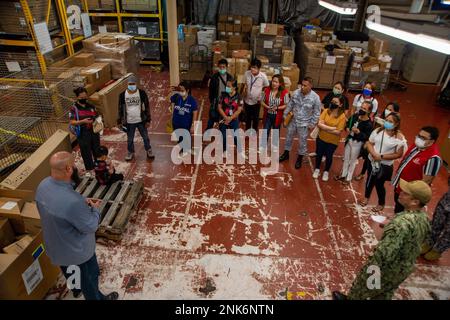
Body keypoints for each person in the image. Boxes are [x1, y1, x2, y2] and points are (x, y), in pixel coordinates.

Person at [35, 151, 119, 300]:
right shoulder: (73, 202)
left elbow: (56, 209)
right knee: (90, 280)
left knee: (70, 272)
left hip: (56, 248)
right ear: (68, 169)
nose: (77, 169)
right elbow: (91, 226)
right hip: (77, 254)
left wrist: (78, 204)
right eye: (74, 166)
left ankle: (76, 289)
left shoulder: (43, 185)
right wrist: (95, 209)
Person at [333, 179, 432, 300]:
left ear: (415, 201)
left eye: (406, 193)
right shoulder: (423, 218)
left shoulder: (400, 224)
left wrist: (369, 270)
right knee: (384, 294)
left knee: (361, 289)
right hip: (402, 269)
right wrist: (394, 221)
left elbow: (384, 254)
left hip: (384, 270)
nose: (400, 193)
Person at [358, 113, 406, 212]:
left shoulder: (399, 138)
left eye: (390, 121)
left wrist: (381, 157)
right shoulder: (378, 130)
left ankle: (381, 202)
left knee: (379, 184)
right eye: (386, 120)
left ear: (396, 124)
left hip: (385, 165)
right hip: (372, 161)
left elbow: (398, 154)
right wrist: (374, 155)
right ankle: (366, 198)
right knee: (369, 180)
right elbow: (370, 143)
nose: (387, 122)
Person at [391, 126, 442, 213]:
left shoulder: (433, 158)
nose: (419, 139)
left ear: (432, 141)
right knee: (397, 208)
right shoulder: (417, 145)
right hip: (401, 187)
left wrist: (409, 197)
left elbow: (425, 182)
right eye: (419, 135)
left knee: (403, 214)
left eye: (423, 138)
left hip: (410, 195)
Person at [279, 77, 321, 169]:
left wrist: (312, 124)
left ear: (310, 86)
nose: (302, 87)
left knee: (302, 142)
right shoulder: (296, 93)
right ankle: (286, 154)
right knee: (288, 137)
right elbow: (290, 104)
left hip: (304, 124)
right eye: (302, 85)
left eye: (305, 85)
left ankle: (300, 158)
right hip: (293, 121)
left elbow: (317, 112)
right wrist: (285, 116)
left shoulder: (315, 97)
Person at [118, 74, 154, 161]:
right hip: (129, 121)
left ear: (136, 84)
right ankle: (130, 152)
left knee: (145, 137)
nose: (132, 86)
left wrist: (148, 120)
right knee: (130, 139)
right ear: (127, 84)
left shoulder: (141, 93)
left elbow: (147, 106)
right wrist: (119, 121)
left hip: (141, 120)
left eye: (133, 84)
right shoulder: (122, 95)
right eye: (130, 84)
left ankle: (149, 150)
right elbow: (120, 108)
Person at [335, 101, 373, 185]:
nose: (361, 109)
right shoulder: (356, 116)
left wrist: (359, 132)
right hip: (349, 140)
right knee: (346, 158)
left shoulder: (369, 124)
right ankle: (343, 174)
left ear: (369, 111)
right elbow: (348, 123)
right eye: (361, 107)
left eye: (364, 108)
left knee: (352, 161)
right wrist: (347, 128)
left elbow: (367, 137)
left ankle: (348, 178)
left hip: (357, 143)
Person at [312, 96, 346, 182]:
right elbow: (319, 123)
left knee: (329, 156)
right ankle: (317, 169)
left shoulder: (342, 116)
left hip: (332, 141)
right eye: (332, 101)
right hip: (321, 138)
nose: (333, 103)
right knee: (319, 154)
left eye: (336, 102)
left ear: (340, 105)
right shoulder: (326, 111)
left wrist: (324, 127)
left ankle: (326, 171)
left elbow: (338, 132)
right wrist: (331, 128)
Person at [69, 87, 100, 176]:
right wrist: (83, 121)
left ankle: (98, 165)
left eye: (85, 97)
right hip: (83, 132)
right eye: (81, 98)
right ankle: (90, 169)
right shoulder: (74, 108)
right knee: (86, 151)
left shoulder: (91, 106)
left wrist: (97, 121)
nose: (84, 99)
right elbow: (72, 122)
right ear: (77, 97)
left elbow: (97, 116)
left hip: (93, 131)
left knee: (96, 149)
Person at [260, 74, 289, 151]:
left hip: (278, 116)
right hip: (268, 115)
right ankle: (263, 146)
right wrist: (267, 107)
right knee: (265, 130)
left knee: (276, 131)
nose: (274, 83)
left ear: (280, 83)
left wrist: (277, 108)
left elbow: (286, 105)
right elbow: (262, 102)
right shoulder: (266, 90)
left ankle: (275, 146)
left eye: (276, 82)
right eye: (273, 81)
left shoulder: (284, 92)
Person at [422, 187, 450, 261]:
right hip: (447, 199)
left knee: (449, 232)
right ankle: (429, 243)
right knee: (436, 222)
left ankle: (438, 249)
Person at [218, 79, 244, 156]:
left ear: (234, 87)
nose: (227, 87)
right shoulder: (223, 95)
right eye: (226, 86)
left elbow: (239, 110)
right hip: (223, 118)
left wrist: (230, 118)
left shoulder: (239, 97)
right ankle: (224, 150)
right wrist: (225, 117)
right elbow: (219, 107)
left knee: (235, 136)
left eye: (229, 86)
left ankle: (240, 151)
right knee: (224, 135)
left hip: (234, 119)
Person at [243, 58, 269, 132]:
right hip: (247, 100)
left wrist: (261, 96)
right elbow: (243, 84)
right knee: (247, 117)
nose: (253, 69)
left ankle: (254, 131)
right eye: (252, 67)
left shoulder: (263, 76)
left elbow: (266, 87)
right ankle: (247, 130)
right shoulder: (247, 73)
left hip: (256, 102)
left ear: (259, 68)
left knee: (255, 118)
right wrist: (242, 97)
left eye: (255, 68)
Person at [170, 82, 199, 148]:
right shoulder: (176, 97)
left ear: (187, 90)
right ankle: (181, 148)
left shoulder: (192, 100)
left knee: (185, 140)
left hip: (186, 125)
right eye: (179, 90)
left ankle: (185, 150)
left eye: (182, 90)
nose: (180, 92)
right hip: (176, 123)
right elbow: (168, 99)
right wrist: (170, 92)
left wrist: (193, 125)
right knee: (179, 139)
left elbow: (195, 113)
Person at [207, 59, 234, 130]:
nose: (222, 69)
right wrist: (212, 100)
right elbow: (211, 90)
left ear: (226, 67)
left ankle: (222, 132)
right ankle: (208, 132)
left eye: (223, 67)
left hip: (225, 102)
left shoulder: (230, 78)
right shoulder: (214, 77)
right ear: (218, 67)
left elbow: (232, 90)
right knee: (212, 117)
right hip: (216, 100)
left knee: (223, 118)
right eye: (220, 67)